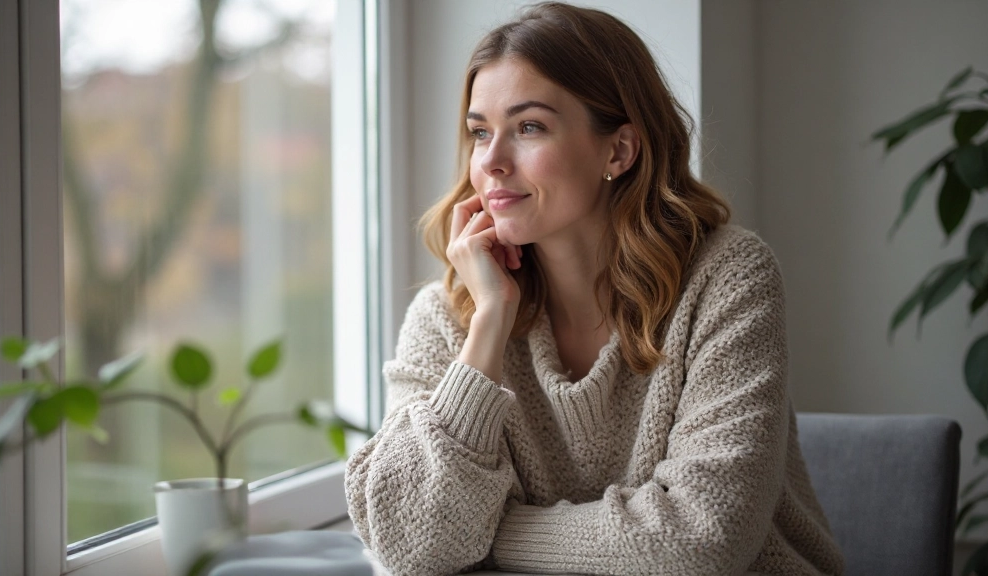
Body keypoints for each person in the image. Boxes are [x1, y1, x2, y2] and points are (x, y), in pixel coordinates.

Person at [345, 3, 845, 575]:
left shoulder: (727, 279)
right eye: (480, 132)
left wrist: (491, 534)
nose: (491, 162)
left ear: (618, 150)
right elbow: (411, 546)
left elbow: (701, 543)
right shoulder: (450, 315)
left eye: (529, 127)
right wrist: (488, 326)